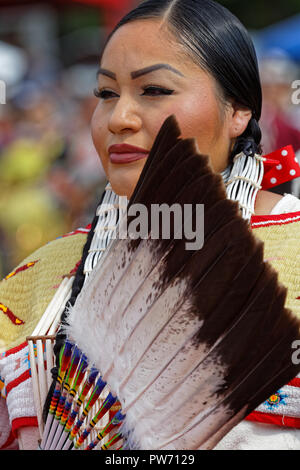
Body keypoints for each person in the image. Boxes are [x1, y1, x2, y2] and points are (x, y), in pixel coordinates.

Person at [1, 0, 300, 450]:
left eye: (155, 90)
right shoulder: (39, 278)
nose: (119, 118)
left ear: (238, 110)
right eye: (105, 93)